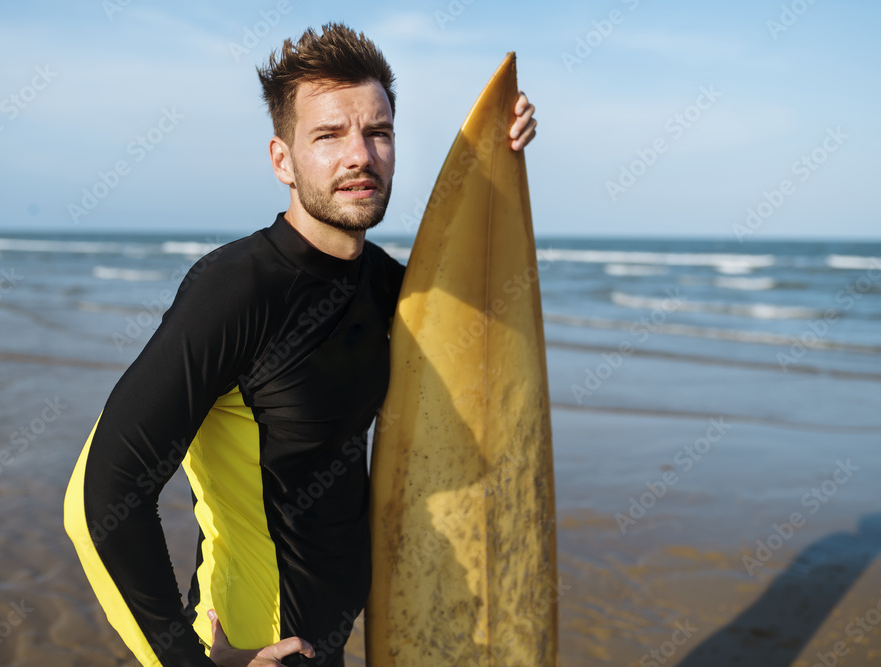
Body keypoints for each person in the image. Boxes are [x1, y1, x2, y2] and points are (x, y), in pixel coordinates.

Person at [64, 22, 537, 667]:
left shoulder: (388, 289)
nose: (360, 156)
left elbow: (486, 335)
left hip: (342, 642)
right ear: (281, 160)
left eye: (378, 132)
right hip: (258, 647)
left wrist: (500, 164)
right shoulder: (235, 291)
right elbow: (103, 493)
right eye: (329, 135)